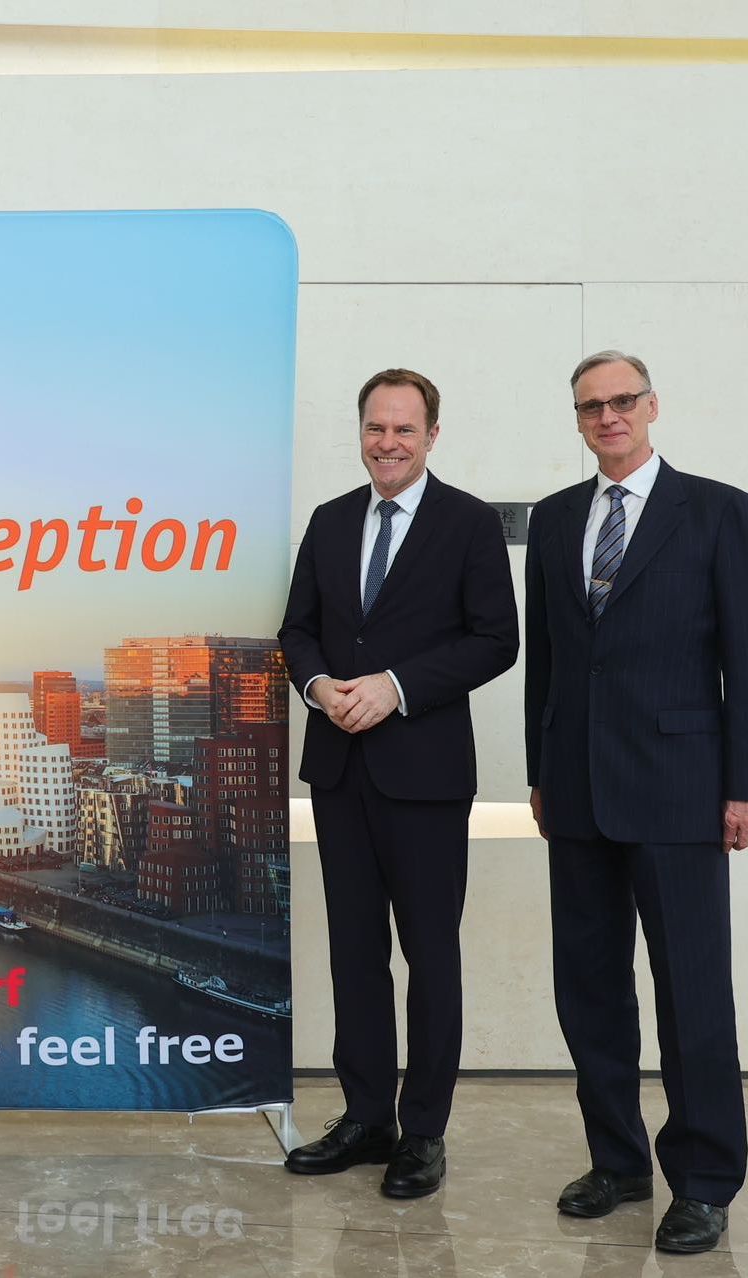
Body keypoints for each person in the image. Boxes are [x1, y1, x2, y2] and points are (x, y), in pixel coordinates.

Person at [525, 351, 748, 1254]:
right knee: (589, 992)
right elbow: (547, 661)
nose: (607, 417)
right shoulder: (556, 521)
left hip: (681, 792)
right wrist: (538, 772)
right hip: (578, 794)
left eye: (621, 401)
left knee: (693, 997)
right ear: (578, 419)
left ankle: (704, 1180)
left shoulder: (716, 511)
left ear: (650, 406)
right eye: (590, 406)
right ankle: (618, 1162)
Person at [279, 368, 518, 1197]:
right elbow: (296, 631)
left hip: (424, 775)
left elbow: (496, 639)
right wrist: (318, 687)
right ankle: (365, 1118)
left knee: (429, 957)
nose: (387, 442)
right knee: (353, 954)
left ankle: (422, 1133)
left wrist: (394, 686)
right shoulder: (330, 519)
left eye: (403, 430)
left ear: (431, 435)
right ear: (360, 432)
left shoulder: (469, 524)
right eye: (375, 428)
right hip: (339, 771)